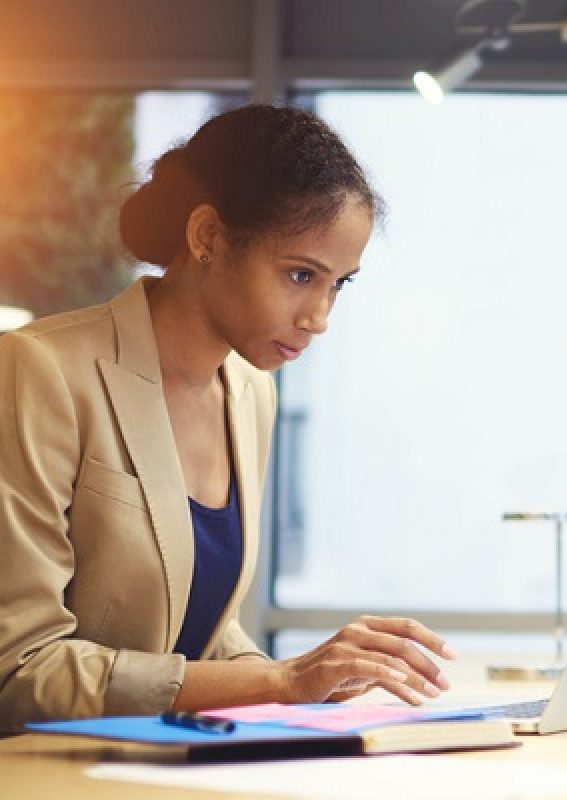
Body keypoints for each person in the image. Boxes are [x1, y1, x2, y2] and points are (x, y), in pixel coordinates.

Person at [0, 104, 454, 729]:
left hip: (165, 771)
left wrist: (313, 686)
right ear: (207, 237)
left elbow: (198, 637)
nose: (318, 317)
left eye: (338, 285)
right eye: (301, 274)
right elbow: (21, 672)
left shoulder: (248, 391)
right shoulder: (40, 370)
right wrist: (282, 680)